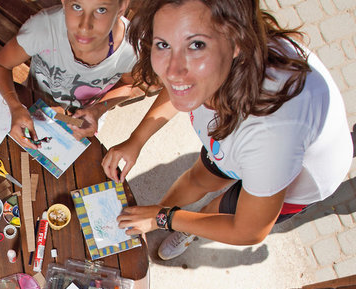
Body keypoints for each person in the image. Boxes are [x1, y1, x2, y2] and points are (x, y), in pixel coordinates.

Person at [102, 0, 352, 260]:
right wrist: (137, 140)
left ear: (235, 44)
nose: (173, 71)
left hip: (300, 178)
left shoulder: (269, 137)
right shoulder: (211, 68)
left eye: (196, 46)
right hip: (243, 145)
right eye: (163, 44)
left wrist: (166, 218)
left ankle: (187, 231)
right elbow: (178, 84)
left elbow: (248, 230)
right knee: (197, 179)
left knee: (218, 210)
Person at [0, 0, 141, 148]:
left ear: (122, 6)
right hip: (31, 106)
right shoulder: (44, 27)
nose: (85, 26)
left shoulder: (131, 49)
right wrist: (15, 106)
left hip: (83, 123)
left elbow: (132, 85)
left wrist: (98, 109)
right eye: (77, 6)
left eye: (101, 10)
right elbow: (0, 64)